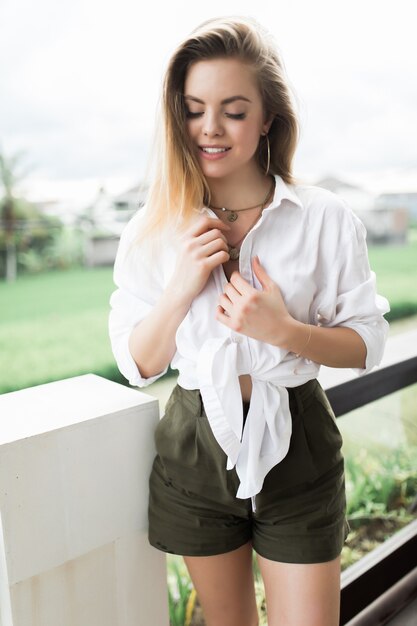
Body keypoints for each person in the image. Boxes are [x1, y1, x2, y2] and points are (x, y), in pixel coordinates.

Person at [108, 16, 390, 626]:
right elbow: (140, 363)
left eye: (233, 110)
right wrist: (182, 286)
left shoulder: (323, 217)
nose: (209, 128)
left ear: (267, 119)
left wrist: (286, 331)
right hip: (193, 444)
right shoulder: (152, 230)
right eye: (193, 108)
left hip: (299, 438)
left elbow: (368, 342)